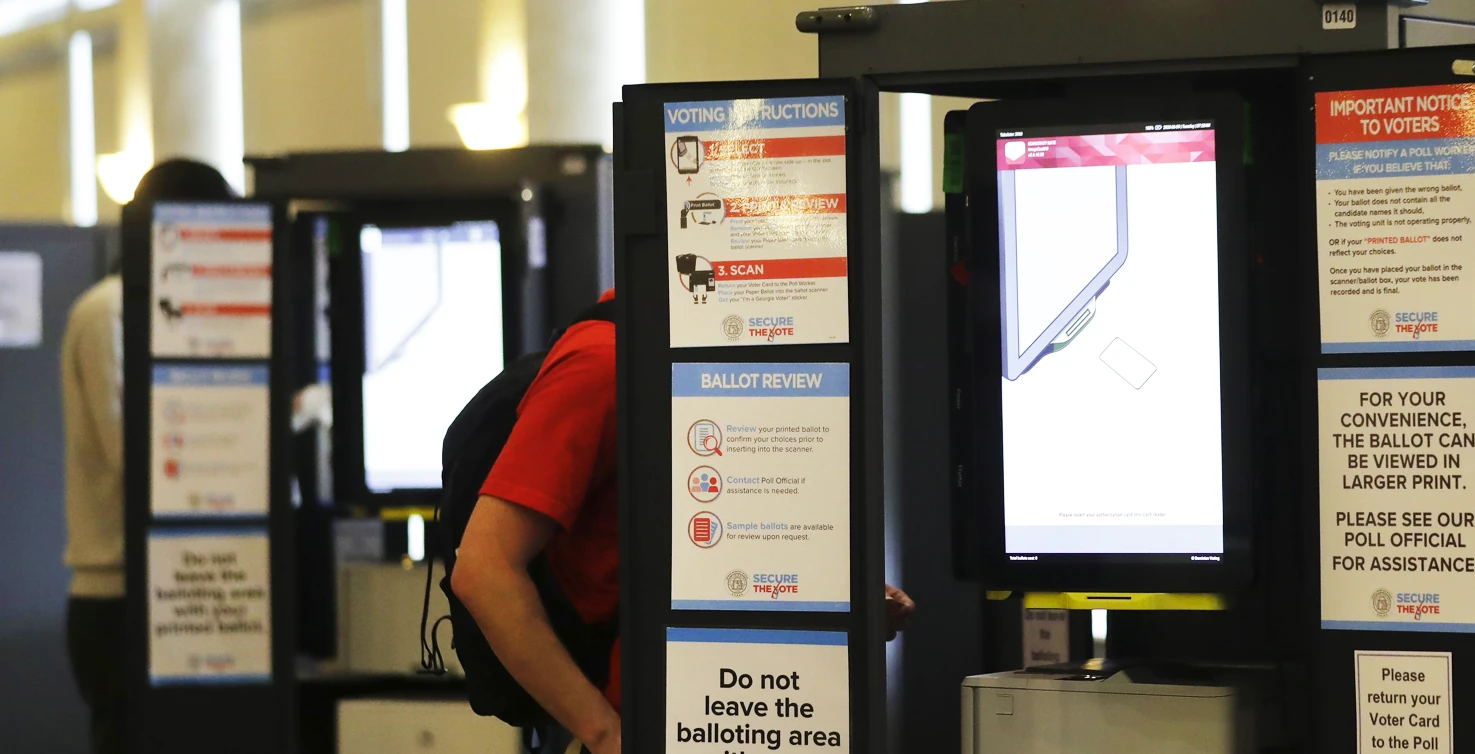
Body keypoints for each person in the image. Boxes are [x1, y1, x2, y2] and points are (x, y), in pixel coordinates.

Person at [451, 290, 916, 754]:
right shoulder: (602, 363)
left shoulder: (717, 361)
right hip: (643, 717)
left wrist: (833, 604)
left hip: (733, 711)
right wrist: (604, 733)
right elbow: (484, 569)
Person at [62, 159, 234, 754]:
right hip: (120, 596)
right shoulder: (110, 311)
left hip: (169, 587)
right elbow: (137, 454)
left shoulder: (160, 309)